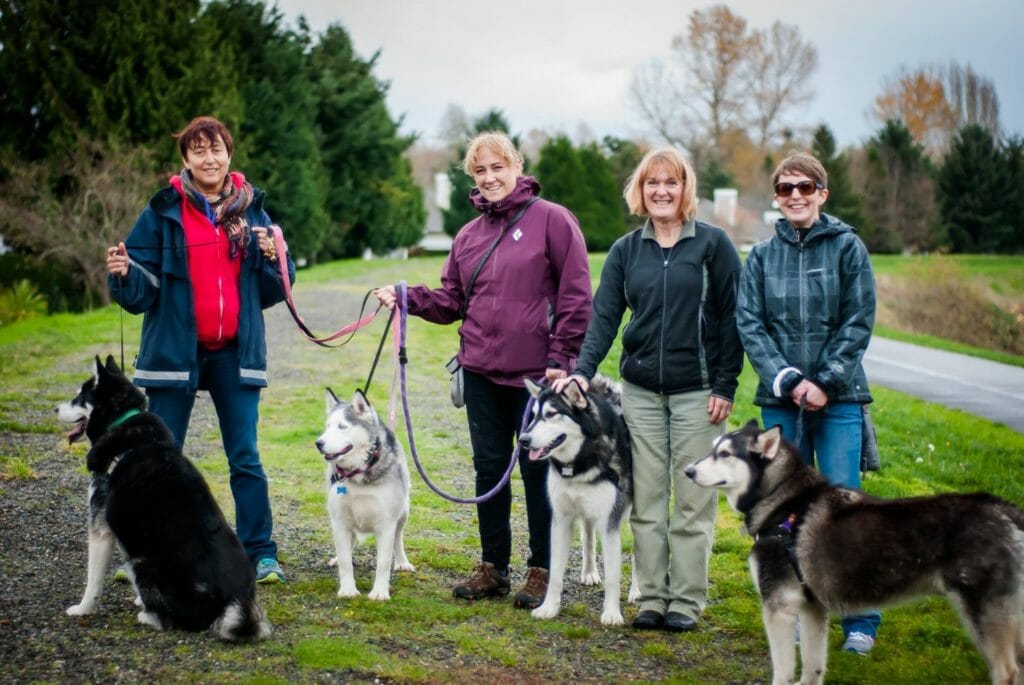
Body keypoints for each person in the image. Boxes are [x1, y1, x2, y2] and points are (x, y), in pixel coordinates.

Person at [373, 131, 591, 609]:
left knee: (537, 472)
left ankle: (542, 569)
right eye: (480, 171)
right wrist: (409, 297)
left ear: (516, 166)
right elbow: (452, 300)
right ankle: (493, 566)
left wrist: (562, 359)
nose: (490, 178)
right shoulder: (468, 236)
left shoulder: (552, 221)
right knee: (488, 469)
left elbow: (577, 296)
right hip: (480, 373)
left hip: (538, 376)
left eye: (497, 167)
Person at [554, 147, 743, 633]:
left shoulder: (713, 246)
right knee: (648, 499)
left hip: (699, 393)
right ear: (640, 190)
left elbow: (731, 320)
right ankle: (652, 598)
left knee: (693, 502)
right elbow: (604, 318)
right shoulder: (625, 251)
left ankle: (685, 600)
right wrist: (582, 369)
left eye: (671, 182)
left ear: (686, 190)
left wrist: (725, 383)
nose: (662, 190)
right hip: (640, 392)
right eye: (652, 182)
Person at [105, 115, 295, 584]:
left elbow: (272, 292)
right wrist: (123, 273)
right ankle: (150, 557)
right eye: (199, 150)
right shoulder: (162, 211)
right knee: (160, 461)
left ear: (229, 153)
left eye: (217, 149)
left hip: (235, 353)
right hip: (174, 354)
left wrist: (275, 260)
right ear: (185, 159)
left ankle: (261, 553)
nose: (209, 158)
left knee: (245, 457)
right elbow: (140, 294)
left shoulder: (254, 212)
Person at [736, 151, 881, 655]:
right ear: (776, 196)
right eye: (785, 188)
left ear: (822, 192)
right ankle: (791, 611)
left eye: (805, 187)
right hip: (780, 403)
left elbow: (858, 320)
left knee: (843, 507)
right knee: (781, 510)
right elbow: (750, 324)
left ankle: (859, 621)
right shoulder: (760, 257)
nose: (794, 195)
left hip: (839, 400)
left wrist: (824, 380)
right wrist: (788, 378)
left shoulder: (847, 247)